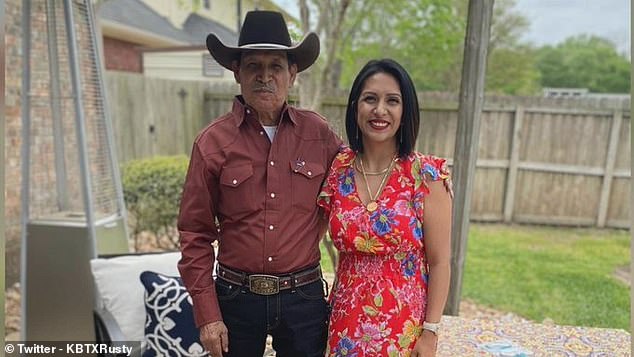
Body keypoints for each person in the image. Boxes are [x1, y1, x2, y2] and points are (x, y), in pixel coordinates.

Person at [177, 11, 342, 357]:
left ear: (292, 73)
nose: (265, 76)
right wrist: (208, 316)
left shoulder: (320, 135)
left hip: (304, 297)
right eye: (253, 65)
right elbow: (194, 234)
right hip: (236, 299)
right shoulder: (212, 143)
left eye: (276, 66)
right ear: (237, 72)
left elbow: (360, 179)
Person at [317, 59, 453, 357]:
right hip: (345, 326)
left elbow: (441, 261)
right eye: (370, 99)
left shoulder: (426, 176)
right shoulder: (338, 168)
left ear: (406, 112)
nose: (380, 110)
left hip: (404, 331)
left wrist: (430, 332)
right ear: (356, 107)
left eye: (392, 100)